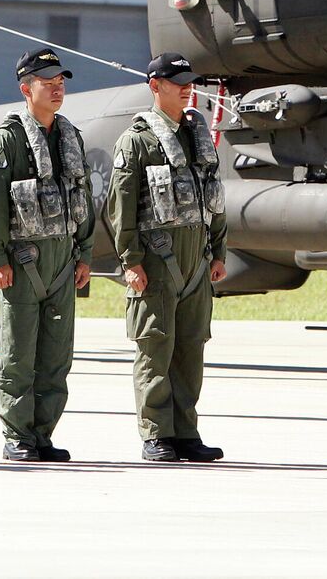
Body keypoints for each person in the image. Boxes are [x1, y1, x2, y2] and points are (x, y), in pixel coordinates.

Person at [108, 52, 228, 463]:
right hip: (157, 262)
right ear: (155, 86)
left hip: (197, 260)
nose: (186, 87)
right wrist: (130, 260)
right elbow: (120, 208)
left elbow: (215, 199)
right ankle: (156, 434)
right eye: (177, 81)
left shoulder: (197, 135)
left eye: (189, 80)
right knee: (155, 348)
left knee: (190, 349)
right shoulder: (136, 141)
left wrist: (219, 250)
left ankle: (186, 433)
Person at [0, 48, 94, 462]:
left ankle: (43, 434)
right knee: (18, 352)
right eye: (48, 82)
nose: (57, 88)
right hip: (23, 261)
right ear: (26, 89)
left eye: (60, 81)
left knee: (55, 354)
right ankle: (17, 435)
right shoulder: (7, 139)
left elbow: (83, 196)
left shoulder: (70, 136)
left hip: (64, 262)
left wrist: (85, 252)